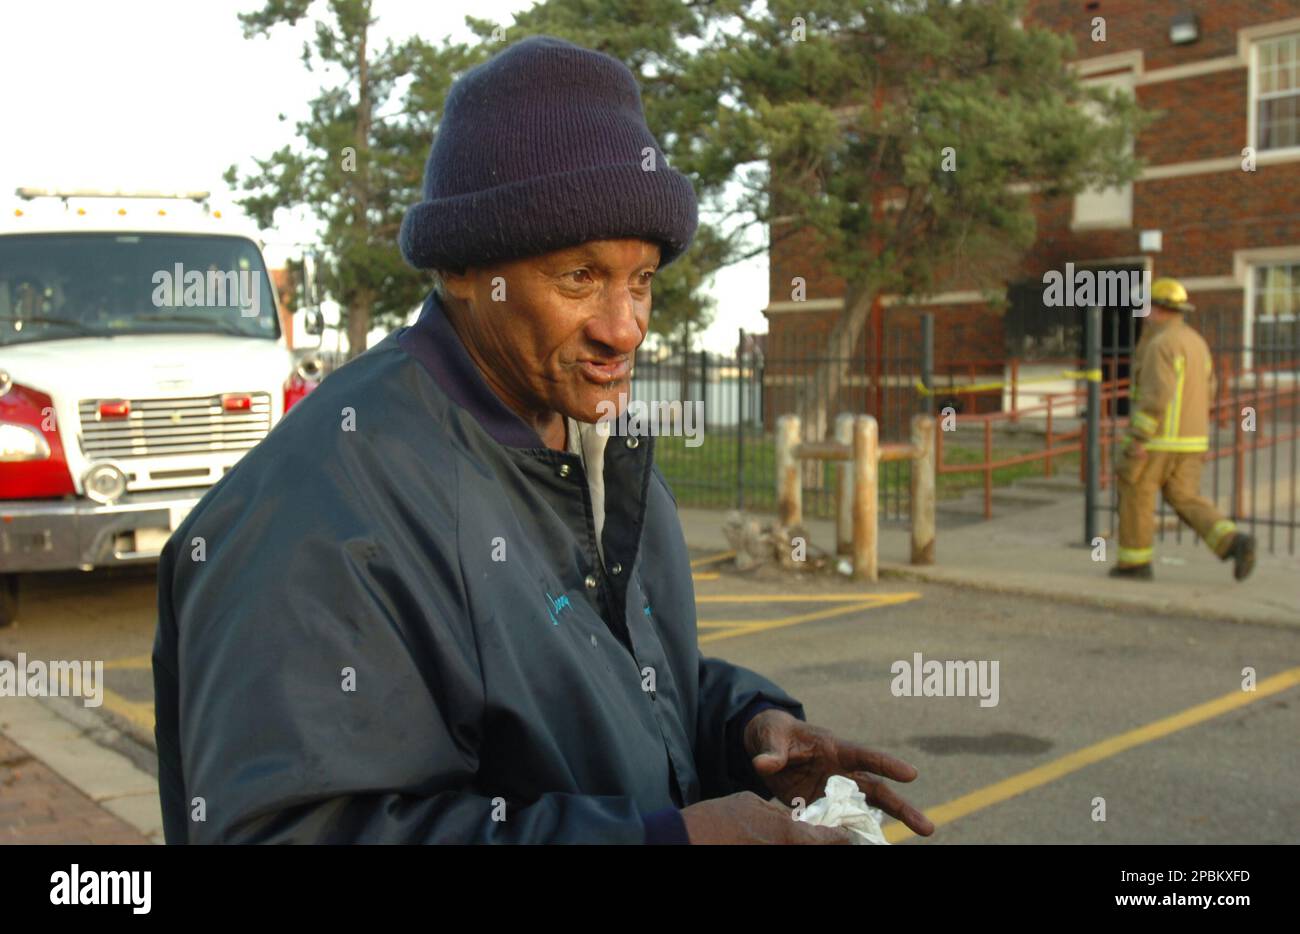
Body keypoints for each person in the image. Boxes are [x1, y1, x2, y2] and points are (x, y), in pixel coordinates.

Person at [152, 34, 935, 845]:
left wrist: (749, 729)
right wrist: (666, 841)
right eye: (580, 277)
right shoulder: (322, 506)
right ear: (462, 268)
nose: (624, 327)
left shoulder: (593, 445)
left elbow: (618, 688)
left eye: (643, 279)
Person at [1111, 277, 1255, 581]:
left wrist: (1138, 437)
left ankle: (1134, 564)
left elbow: (1156, 395)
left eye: (1146, 306)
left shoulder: (1159, 344)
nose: (1143, 312)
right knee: (1185, 497)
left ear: (1159, 309)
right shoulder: (1197, 342)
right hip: (1193, 442)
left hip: (1158, 441)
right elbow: (1211, 388)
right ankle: (1233, 541)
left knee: (1136, 492)